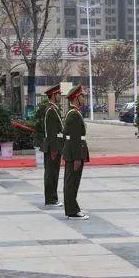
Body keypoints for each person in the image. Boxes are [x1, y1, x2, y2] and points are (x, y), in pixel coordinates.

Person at [62, 86, 90, 219]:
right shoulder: (73, 114)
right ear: (76, 98)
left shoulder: (75, 113)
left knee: (73, 182)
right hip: (75, 154)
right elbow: (74, 138)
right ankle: (72, 211)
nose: (84, 99)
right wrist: (77, 158)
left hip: (75, 152)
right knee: (71, 182)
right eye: (82, 96)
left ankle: (72, 208)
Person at [40, 84, 64, 207]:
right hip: (52, 147)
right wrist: (54, 149)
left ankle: (53, 198)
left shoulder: (54, 109)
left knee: (54, 173)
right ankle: (50, 199)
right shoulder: (51, 111)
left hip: (55, 146)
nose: (60, 96)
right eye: (58, 94)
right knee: (51, 173)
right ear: (53, 95)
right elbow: (51, 132)